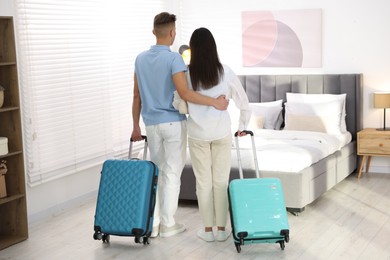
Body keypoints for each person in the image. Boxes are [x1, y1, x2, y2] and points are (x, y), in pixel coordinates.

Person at [131, 13, 228, 238]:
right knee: (172, 174)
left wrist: (135, 126)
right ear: (173, 33)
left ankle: (152, 225)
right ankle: (168, 224)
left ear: (154, 31)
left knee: (157, 173)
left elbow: (136, 96)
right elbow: (185, 93)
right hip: (173, 123)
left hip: (151, 125)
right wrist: (214, 102)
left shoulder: (140, 59)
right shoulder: (174, 59)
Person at [184, 27, 251, 242]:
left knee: (203, 183)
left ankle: (207, 231)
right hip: (222, 133)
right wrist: (242, 126)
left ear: (193, 49)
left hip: (197, 135)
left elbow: (180, 101)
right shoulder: (226, 72)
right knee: (221, 182)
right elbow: (244, 103)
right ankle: (222, 230)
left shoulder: (186, 74)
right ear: (213, 47)